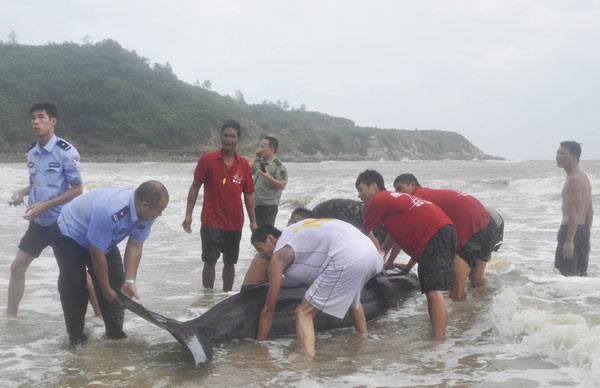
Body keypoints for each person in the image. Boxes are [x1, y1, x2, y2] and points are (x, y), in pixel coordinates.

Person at [50, 181, 169, 346]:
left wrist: (129, 281)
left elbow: (135, 245)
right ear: (144, 205)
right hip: (70, 234)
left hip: (103, 240)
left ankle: (114, 336)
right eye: (160, 211)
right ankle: (76, 339)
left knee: (117, 286)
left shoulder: (148, 212)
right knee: (75, 285)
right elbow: (96, 253)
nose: (160, 215)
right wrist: (105, 290)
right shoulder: (110, 210)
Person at [253, 220, 383, 356]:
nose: (261, 256)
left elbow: (268, 310)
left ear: (270, 239)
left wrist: (259, 347)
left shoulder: (279, 255)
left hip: (346, 256)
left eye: (259, 249)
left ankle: (306, 363)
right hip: (370, 253)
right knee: (354, 302)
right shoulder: (294, 230)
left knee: (303, 313)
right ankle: (364, 343)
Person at [356, 170, 455, 339]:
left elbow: (364, 233)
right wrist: (383, 260)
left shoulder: (378, 200)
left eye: (361, 189)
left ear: (374, 186)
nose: (359, 195)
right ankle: (437, 337)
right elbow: (392, 237)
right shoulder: (391, 200)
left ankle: (439, 342)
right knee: (431, 290)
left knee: (433, 291)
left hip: (435, 233)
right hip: (441, 231)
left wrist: (371, 264)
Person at [7, 102, 83, 317]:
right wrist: (23, 191)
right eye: (33, 118)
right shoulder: (32, 152)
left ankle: (97, 318)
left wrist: (44, 206)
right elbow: (37, 182)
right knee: (16, 267)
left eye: (41, 117)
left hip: (62, 223)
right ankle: (10, 319)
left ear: (53, 121)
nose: (35, 122)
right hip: (38, 223)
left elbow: (77, 189)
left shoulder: (66, 152)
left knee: (75, 274)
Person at [394, 173, 497, 301]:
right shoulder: (428, 194)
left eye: (400, 189)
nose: (399, 194)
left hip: (473, 227)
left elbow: (418, 240)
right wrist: (409, 266)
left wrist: (398, 264)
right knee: (476, 283)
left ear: (413, 184)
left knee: (456, 282)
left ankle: (458, 320)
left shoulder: (416, 200)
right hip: (489, 222)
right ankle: (487, 308)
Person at [183, 120, 257, 291]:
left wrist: (253, 222)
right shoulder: (207, 160)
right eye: (225, 135)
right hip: (211, 220)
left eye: (232, 136)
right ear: (221, 136)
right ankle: (207, 297)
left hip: (234, 222)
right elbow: (195, 186)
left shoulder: (244, 164)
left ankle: (227, 297)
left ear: (238, 139)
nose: (228, 139)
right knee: (210, 261)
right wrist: (188, 215)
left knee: (230, 262)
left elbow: (248, 194)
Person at [555, 141, 593, 276]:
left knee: (564, 278)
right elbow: (590, 210)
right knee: (580, 278)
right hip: (582, 231)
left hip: (570, 232)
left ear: (574, 156)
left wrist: (569, 240)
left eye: (562, 153)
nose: (558, 156)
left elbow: (574, 210)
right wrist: (586, 235)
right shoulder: (583, 177)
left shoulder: (573, 179)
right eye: (557, 153)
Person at [250, 136, 288, 227]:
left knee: (263, 236)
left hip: (268, 207)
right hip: (255, 205)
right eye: (259, 147)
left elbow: (282, 185)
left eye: (262, 147)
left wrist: (268, 177)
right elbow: (245, 171)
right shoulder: (259, 162)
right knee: (255, 235)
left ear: (271, 149)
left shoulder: (278, 166)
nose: (260, 149)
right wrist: (255, 158)